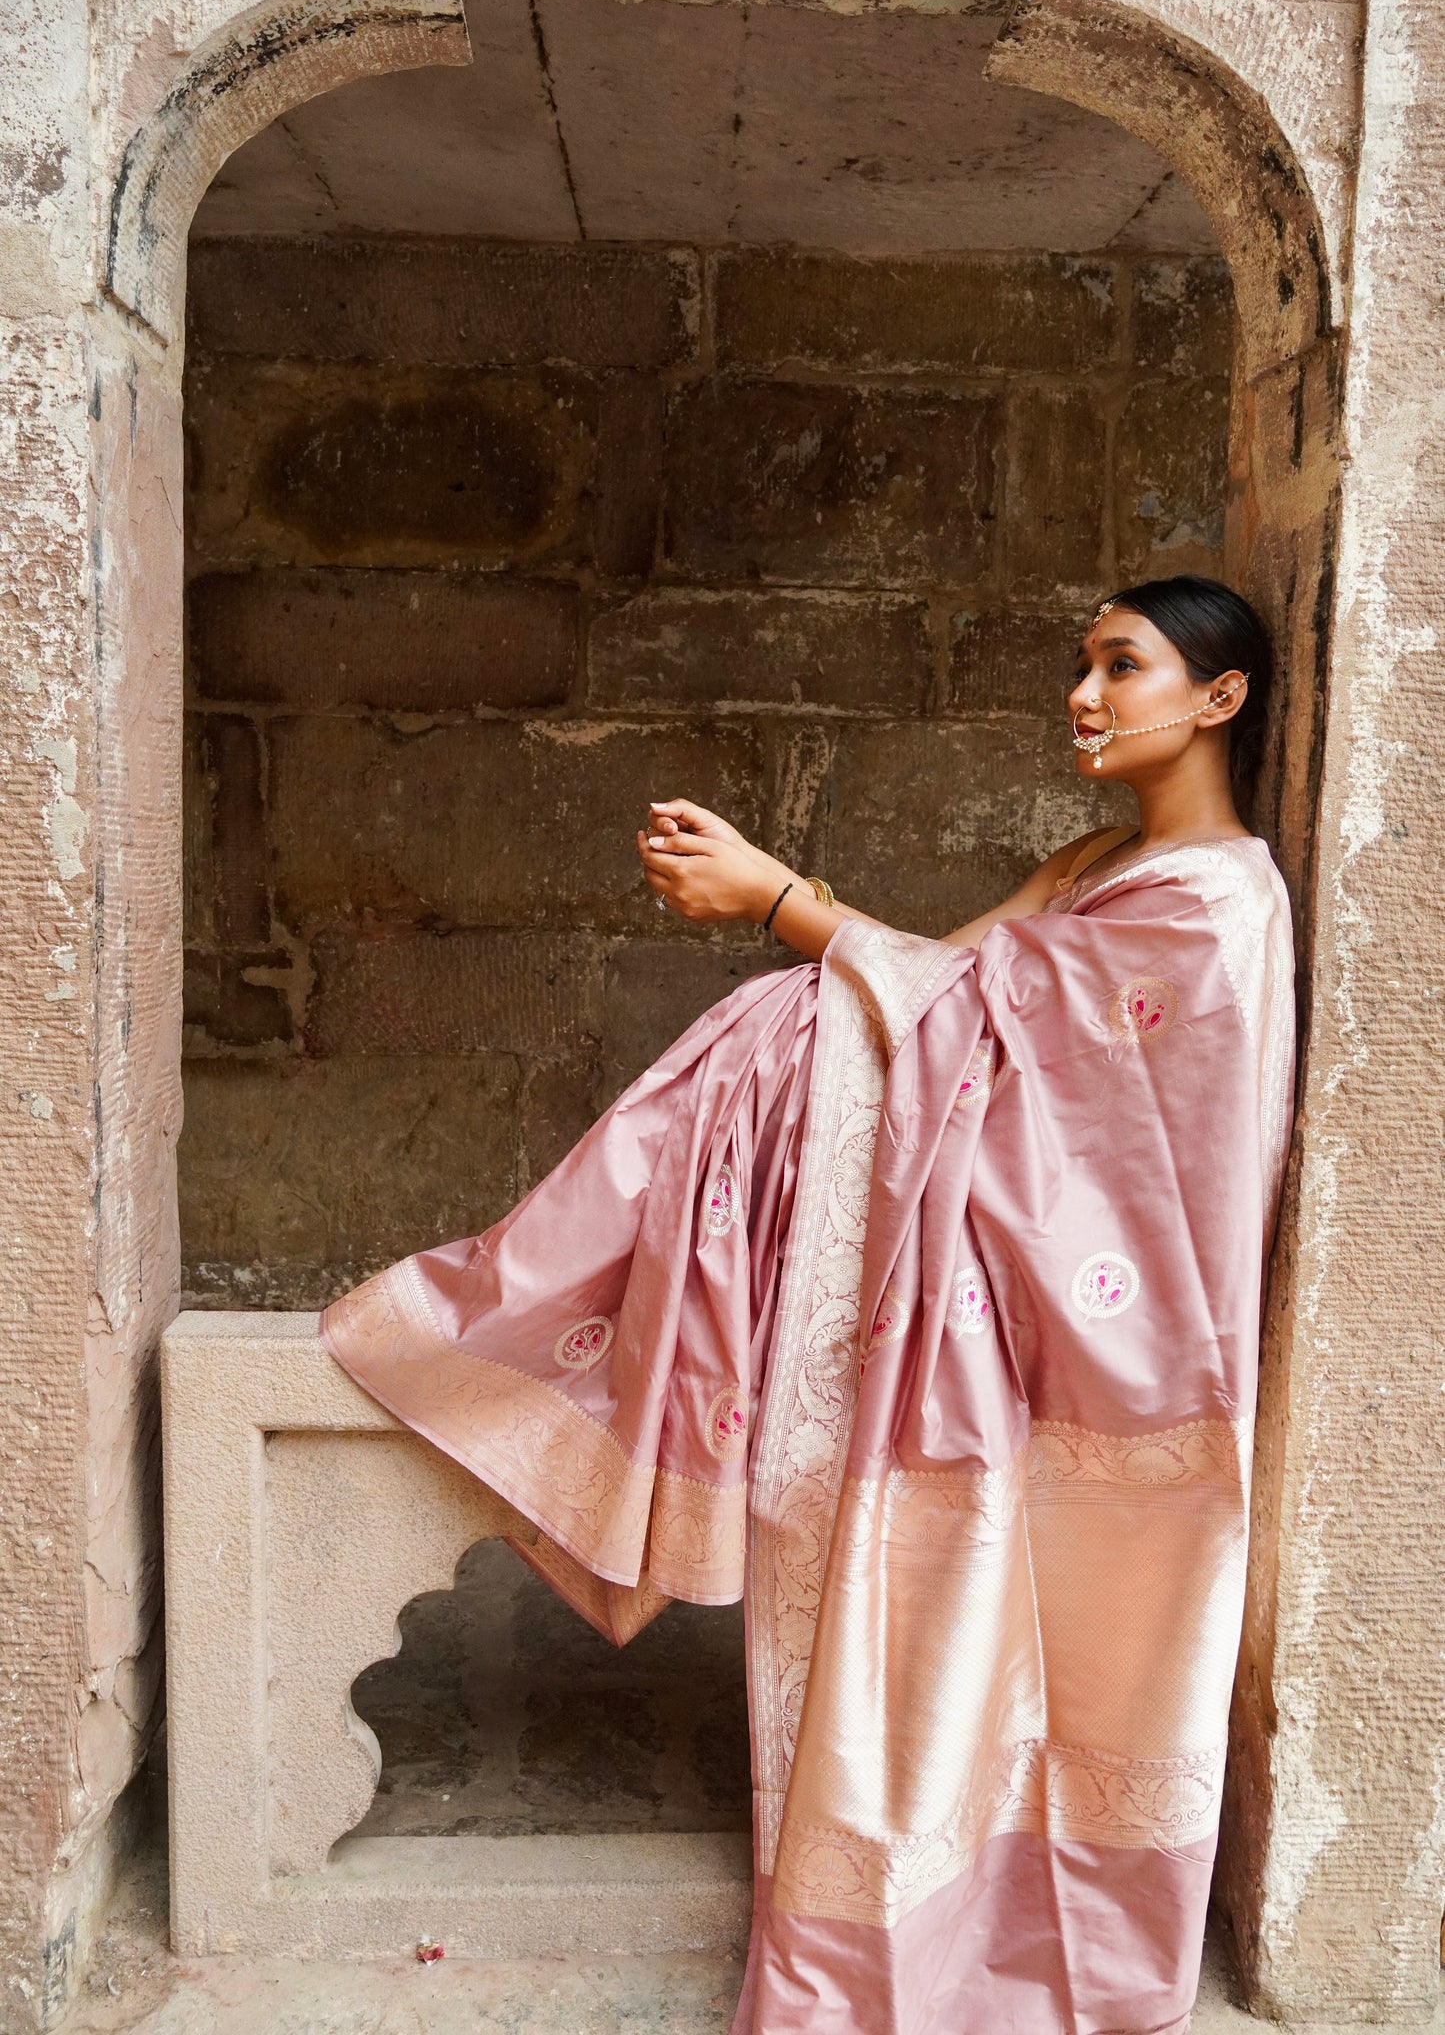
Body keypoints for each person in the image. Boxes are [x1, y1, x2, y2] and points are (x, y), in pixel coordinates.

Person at [323, 573, 1295, 2035]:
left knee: (788, 1012)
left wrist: (780, 902)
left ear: (1216, 698)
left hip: (1114, 1347)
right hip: (996, 1305)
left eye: (1120, 665)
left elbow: (996, 1041)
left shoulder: (1214, 903)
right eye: (1079, 667)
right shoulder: (1096, 857)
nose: (1082, 697)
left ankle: (1023, 1937)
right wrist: (793, 936)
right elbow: (934, 993)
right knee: (786, 1027)